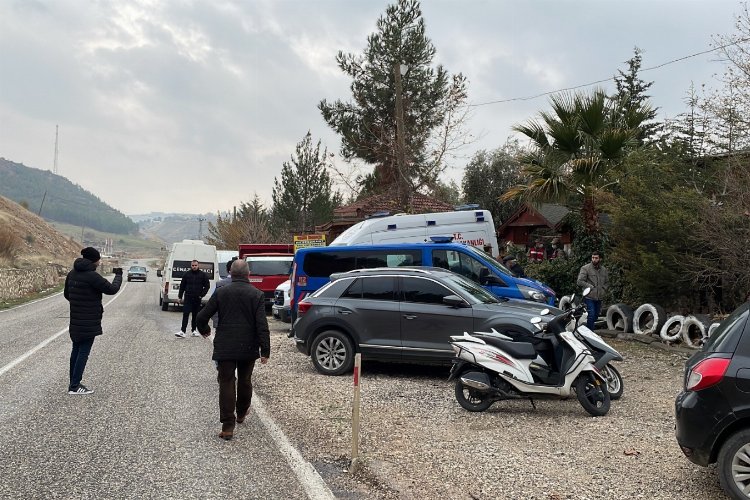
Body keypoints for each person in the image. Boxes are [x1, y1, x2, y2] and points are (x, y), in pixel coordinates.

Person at [196, 259, 270, 441]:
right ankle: (242, 413)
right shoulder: (257, 294)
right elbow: (262, 324)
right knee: (245, 380)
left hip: (225, 344)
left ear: (231, 273)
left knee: (226, 381)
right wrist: (265, 350)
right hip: (248, 345)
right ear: (248, 274)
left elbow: (201, 316)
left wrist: (204, 330)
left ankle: (228, 426)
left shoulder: (222, 292)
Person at [64, 247, 122, 395]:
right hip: (89, 320)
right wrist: (118, 275)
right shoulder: (92, 276)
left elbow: (67, 294)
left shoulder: (72, 274)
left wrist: (79, 303)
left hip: (75, 319)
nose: (99, 261)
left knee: (75, 350)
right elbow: (111, 289)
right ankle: (75, 386)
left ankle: (73, 383)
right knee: (83, 352)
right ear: (93, 260)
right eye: (98, 259)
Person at [176, 259, 210, 338]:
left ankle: (194, 330)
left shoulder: (203, 275)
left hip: (197, 298)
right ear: (191, 266)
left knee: (195, 315)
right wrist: (179, 297)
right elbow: (182, 286)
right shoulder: (186, 274)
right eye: (193, 265)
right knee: (186, 313)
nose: (194, 267)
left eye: (195, 265)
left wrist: (201, 295)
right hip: (188, 297)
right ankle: (182, 331)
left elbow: (207, 286)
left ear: (198, 266)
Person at [577, 251, 609, 330]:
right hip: (589, 297)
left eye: (596, 258)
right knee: (591, 315)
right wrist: (590, 287)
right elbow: (580, 281)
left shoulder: (604, 270)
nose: (594, 259)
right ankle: (590, 334)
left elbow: (607, 282)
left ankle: (586, 329)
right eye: (593, 258)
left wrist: (604, 289)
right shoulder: (585, 268)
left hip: (599, 297)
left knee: (596, 316)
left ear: (600, 259)